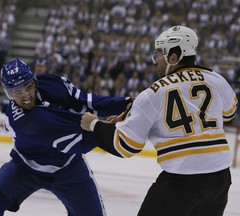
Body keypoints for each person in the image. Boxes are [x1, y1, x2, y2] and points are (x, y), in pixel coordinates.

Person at [80, 25, 239, 216]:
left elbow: (126, 145)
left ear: (174, 57)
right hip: (219, 179)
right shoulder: (216, 79)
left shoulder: (153, 93)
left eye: (159, 55)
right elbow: (229, 113)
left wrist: (93, 124)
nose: (156, 61)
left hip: (182, 180)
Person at [0, 58, 132, 215]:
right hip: (25, 167)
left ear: (34, 82)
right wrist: (106, 128)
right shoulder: (24, 122)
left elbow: (86, 102)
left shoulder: (52, 84)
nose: (26, 96)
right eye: (18, 92)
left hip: (69, 167)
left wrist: (125, 103)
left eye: (28, 87)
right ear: (9, 94)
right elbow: (80, 143)